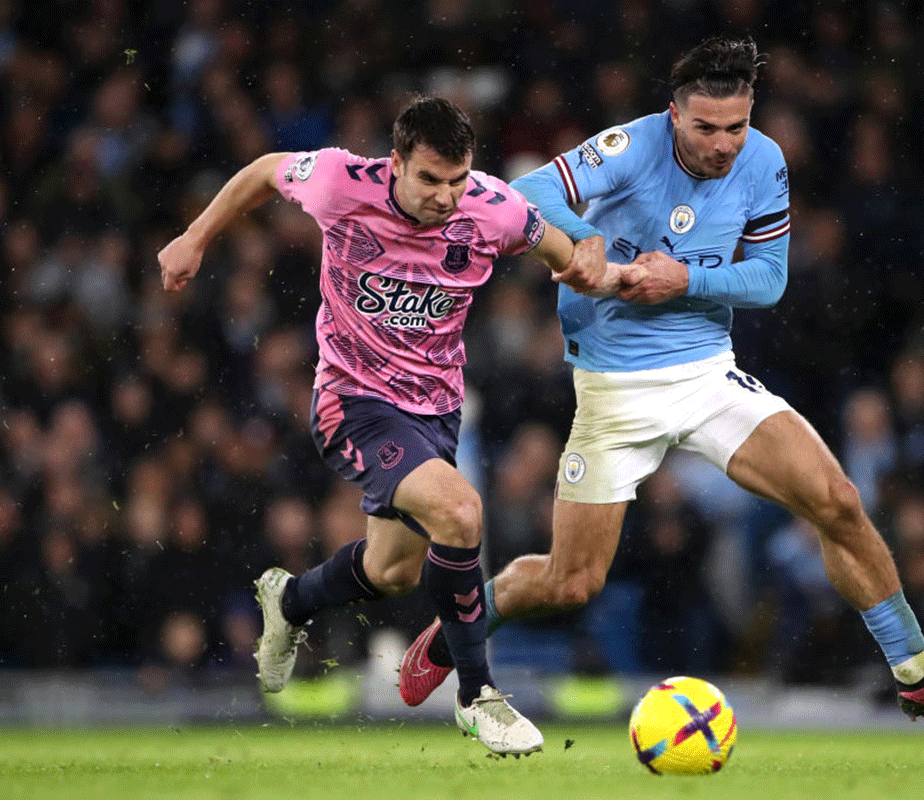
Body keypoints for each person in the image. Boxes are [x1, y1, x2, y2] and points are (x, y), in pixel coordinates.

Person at [398, 38, 924, 719]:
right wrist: (585, 240)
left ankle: (917, 674)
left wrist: (682, 278)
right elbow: (530, 191)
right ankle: (459, 627)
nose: (724, 145)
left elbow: (768, 280)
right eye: (706, 128)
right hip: (615, 388)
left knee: (837, 499)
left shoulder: (765, 161)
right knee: (570, 582)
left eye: (736, 127)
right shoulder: (631, 146)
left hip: (707, 374)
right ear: (673, 116)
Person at [158, 96, 621, 755]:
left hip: (435, 412)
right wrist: (195, 238)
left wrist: (593, 254)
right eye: (429, 180)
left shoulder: (492, 208)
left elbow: (565, 255)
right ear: (396, 162)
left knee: (393, 571)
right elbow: (264, 170)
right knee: (461, 514)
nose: (444, 197)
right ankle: (477, 696)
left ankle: (289, 603)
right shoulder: (341, 182)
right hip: (352, 400)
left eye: (456, 181)